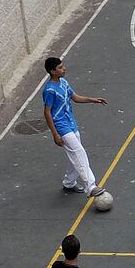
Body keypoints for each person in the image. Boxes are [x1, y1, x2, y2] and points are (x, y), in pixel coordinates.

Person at [41, 55, 106, 198]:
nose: (64, 69)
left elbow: (75, 97)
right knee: (79, 152)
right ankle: (91, 186)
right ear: (52, 71)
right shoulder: (49, 90)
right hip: (61, 127)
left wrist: (92, 100)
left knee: (74, 155)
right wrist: (55, 134)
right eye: (60, 68)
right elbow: (47, 112)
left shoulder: (63, 82)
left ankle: (69, 183)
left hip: (71, 124)